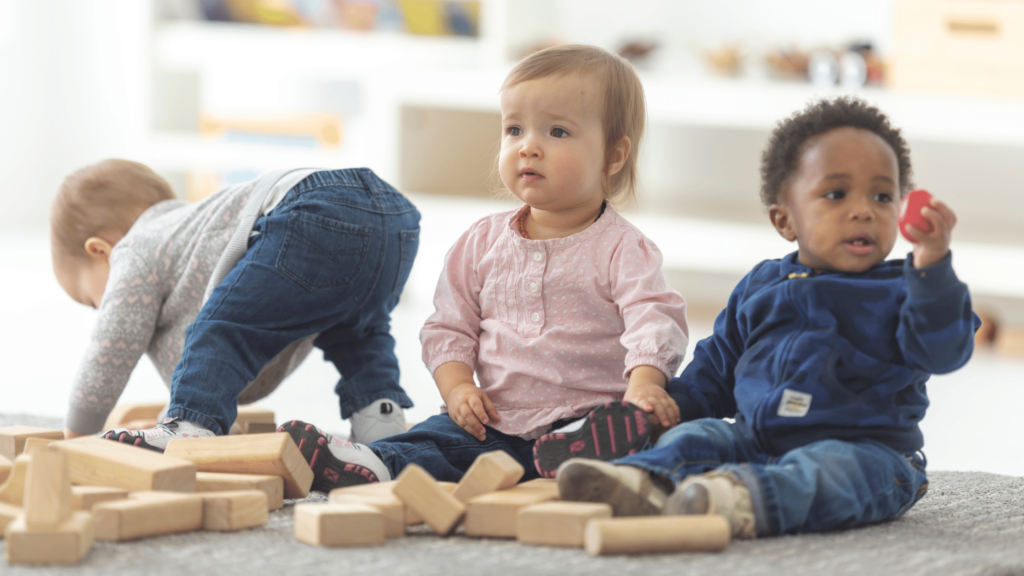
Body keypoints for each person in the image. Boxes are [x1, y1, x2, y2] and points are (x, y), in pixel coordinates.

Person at [556, 97, 980, 538]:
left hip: (870, 452)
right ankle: (642, 479)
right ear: (785, 220)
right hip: (755, 441)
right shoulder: (762, 286)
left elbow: (944, 349)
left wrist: (933, 265)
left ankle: (734, 499)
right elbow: (717, 368)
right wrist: (672, 408)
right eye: (836, 194)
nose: (864, 210)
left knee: (833, 472)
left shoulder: (909, 289)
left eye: (882, 195)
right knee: (699, 436)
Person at [280, 44, 689, 493]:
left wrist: (646, 385)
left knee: (637, 434)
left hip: (586, 421)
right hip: (495, 423)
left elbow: (654, 319)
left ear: (614, 155)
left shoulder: (622, 248)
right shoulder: (481, 242)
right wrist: (458, 390)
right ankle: (370, 464)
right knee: (437, 443)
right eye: (514, 129)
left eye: (557, 131)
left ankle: (585, 455)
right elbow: (448, 328)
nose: (528, 147)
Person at [51, 161, 420, 449]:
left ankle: (191, 428)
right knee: (357, 329)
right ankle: (381, 425)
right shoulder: (190, 233)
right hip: (395, 220)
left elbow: (110, 347)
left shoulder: (134, 248)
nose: (109, 308)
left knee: (222, 331)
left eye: (93, 301)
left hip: (312, 203)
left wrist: (79, 434)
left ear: (101, 251)